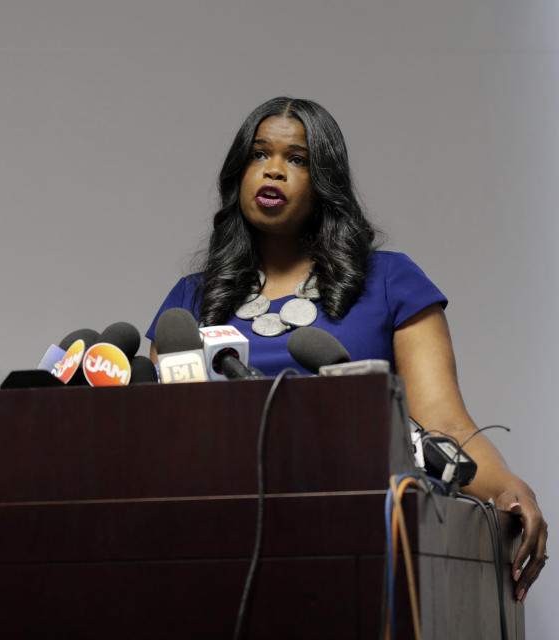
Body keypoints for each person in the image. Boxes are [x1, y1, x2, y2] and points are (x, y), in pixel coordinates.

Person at [146, 97, 547, 600]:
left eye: (297, 159)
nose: (273, 170)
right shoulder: (190, 300)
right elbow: (157, 434)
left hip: (355, 542)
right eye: (259, 154)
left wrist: (509, 487)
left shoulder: (391, 281)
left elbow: (443, 424)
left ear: (326, 182)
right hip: (211, 542)